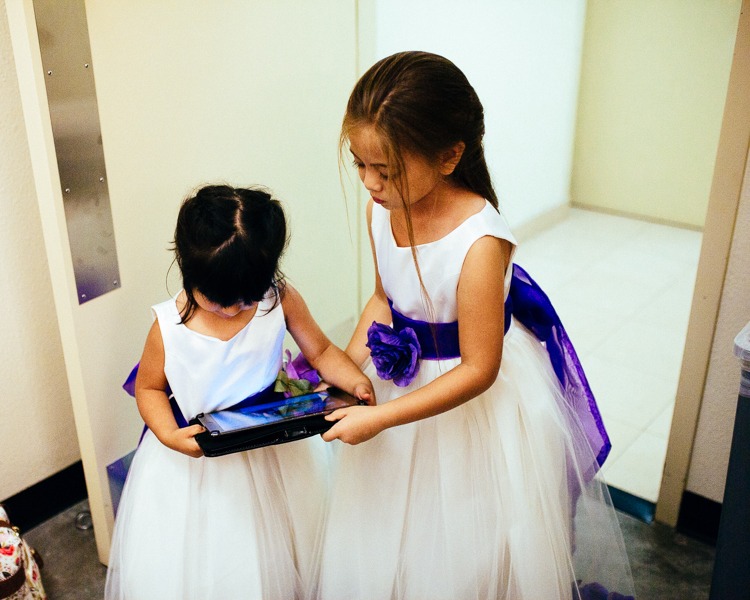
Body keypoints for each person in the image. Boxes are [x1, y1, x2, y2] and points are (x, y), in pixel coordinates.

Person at [314, 51, 635, 600]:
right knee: (386, 524)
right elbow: (383, 300)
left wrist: (382, 418)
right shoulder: (381, 210)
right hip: (399, 389)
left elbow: (480, 369)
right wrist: (344, 372)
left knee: (460, 546)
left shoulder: (480, 241)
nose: (369, 183)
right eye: (358, 164)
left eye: (385, 171)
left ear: (449, 156)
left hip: (467, 404)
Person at [104, 184, 374, 600]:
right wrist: (169, 434)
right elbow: (149, 388)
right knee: (213, 563)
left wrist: (353, 379)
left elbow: (320, 351)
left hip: (270, 447)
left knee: (287, 545)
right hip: (198, 461)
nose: (231, 310)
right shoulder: (168, 327)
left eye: (245, 300)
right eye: (217, 300)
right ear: (188, 270)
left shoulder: (279, 299)